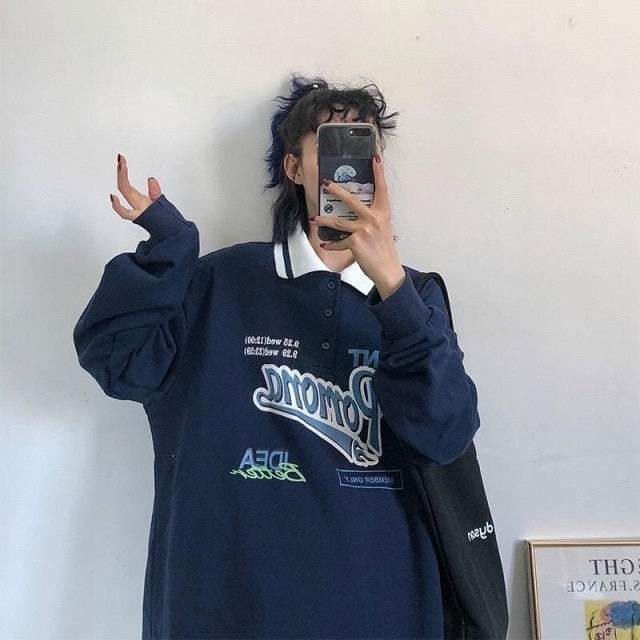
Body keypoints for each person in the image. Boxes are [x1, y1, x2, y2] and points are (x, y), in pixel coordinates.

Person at [74, 76, 480, 639]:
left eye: (366, 149)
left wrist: (392, 284)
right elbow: (118, 362)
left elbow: (445, 436)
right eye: (332, 146)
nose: (349, 169)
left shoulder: (415, 297)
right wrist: (168, 248)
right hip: (225, 608)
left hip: (382, 607)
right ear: (294, 168)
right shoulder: (220, 281)